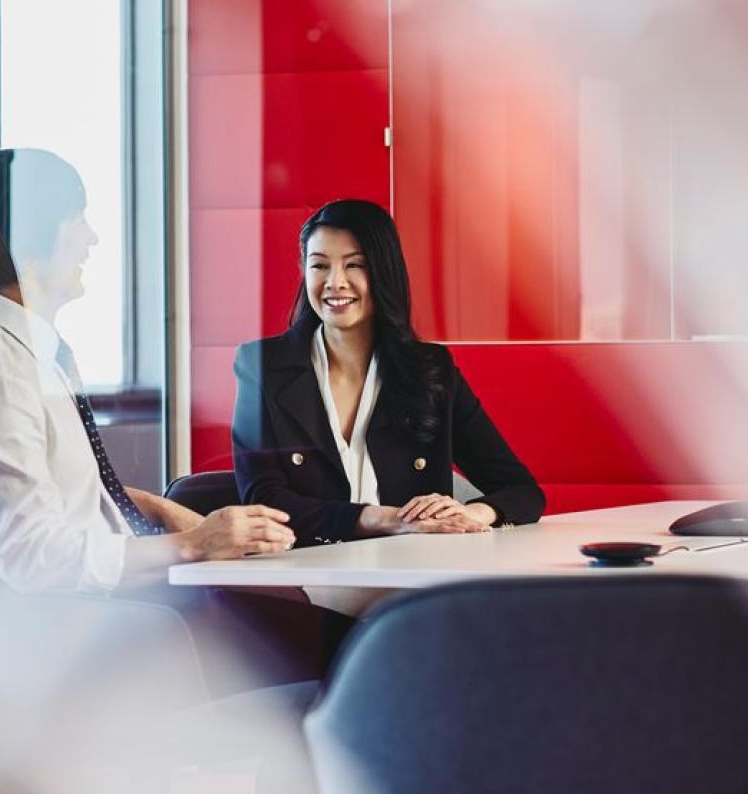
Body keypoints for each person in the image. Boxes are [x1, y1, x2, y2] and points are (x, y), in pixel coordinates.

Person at [0, 149, 347, 690]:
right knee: (346, 655)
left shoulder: (31, 356)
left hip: (126, 607)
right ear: (30, 243)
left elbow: (55, 492)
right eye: (76, 220)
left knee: (342, 640)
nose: (91, 238)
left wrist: (159, 508)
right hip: (91, 633)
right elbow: (34, 559)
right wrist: (193, 544)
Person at [232, 199, 544, 549]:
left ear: (383, 272)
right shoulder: (260, 365)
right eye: (319, 266)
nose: (335, 282)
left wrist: (472, 514)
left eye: (355, 265)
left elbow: (522, 490)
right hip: (304, 573)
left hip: (409, 573)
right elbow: (263, 501)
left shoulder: (430, 370)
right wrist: (390, 520)